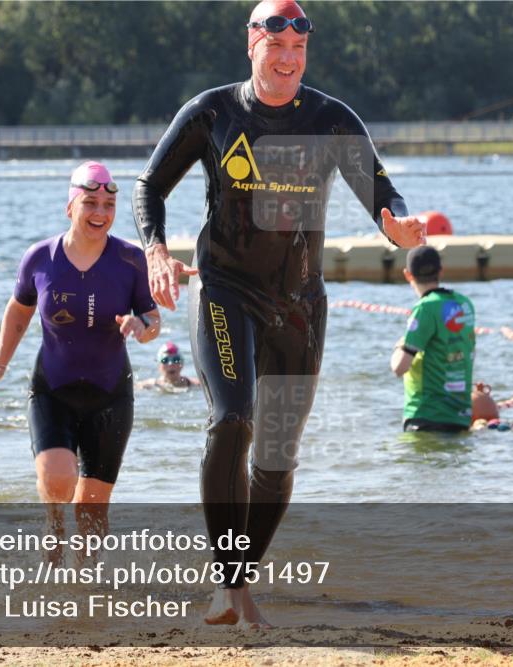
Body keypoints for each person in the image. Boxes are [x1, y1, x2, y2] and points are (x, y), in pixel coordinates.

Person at [133, 0, 424, 627]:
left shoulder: (331, 120)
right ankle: (227, 583)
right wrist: (155, 251)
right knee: (232, 417)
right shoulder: (213, 111)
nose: (288, 60)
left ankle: (239, 583)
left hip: (298, 304)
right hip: (224, 289)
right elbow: (149, 186)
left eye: (298, 51)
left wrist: (395, 222)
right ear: (252, 45)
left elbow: (380, 188)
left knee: (276, 456)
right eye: (276, 47)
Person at [0, 161, 160, 550]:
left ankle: (85, 595)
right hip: (53, 389)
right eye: (90, 203)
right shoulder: (40, 258)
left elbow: (152, 319)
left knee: (92, 513)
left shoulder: (130, 259)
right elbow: (18, 311)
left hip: (110, 393)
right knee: (58, 480)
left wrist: (142, 328)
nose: (100, 214)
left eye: (108, 207)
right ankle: (53, 521)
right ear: (70, 206)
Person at [390, 247, 476, 432]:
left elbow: (399, 367)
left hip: (425, 417)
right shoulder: (464, 303)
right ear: (441, 271)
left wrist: (399, 346)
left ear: (408, 275)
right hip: (460, 418)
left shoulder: (425, 308)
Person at [136, 342, 201, 391]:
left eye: (176, 360)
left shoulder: (196, 384)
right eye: (165, 360)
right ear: (159, 365)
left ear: (182, 363)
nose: (170, 364)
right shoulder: (148, 385)